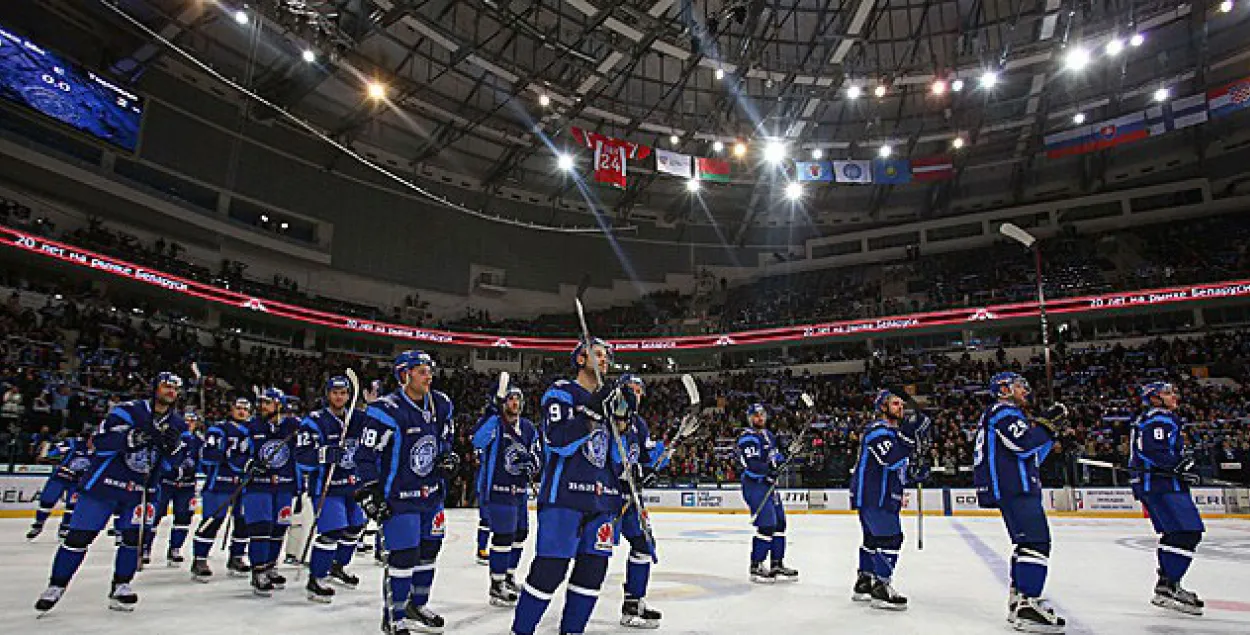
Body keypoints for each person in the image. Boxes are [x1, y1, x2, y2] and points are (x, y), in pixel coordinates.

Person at [511, 338, 636, 635]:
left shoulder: (608, 400)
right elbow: (558, 441)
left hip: (603, 502)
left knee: (592, 574)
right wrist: (592, 412)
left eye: (607, 356)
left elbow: (615, 457)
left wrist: (621, 422)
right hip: (564, 499)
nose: (604, 360)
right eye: (598, 355)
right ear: (580, 359)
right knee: (549, 571)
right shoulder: (561, 392)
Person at [34, 373, 187, 613]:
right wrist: (132, 437)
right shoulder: (128, 411)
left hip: (141, 491)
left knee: (132, 540)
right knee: (78, 538)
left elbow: (172, 465)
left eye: (174, 389)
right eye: (166, 386)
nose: (170, 391)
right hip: (104, 485)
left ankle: (122, 585)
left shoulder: (178, 424)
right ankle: (56, 586)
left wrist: (175, 449)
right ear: (154, 387)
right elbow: (100, 442)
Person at [355, 351, 458, 634]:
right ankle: (395, 616)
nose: (429, 376)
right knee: (403, 556)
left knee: (429, 552)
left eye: (429, 370)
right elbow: (364, 456)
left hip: (432, 496)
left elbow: (444, 441)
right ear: (404, 375)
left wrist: (448, 458)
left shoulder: (441, 403)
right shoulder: (384, 410)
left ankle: (417, 605)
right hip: (400, 499)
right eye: (422, 371)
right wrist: (369, 491)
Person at [973, 372, 1068, 632]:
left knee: (1026, 543)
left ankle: (1020, 600)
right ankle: (1027, 603)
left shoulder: (1000, 414)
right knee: (1037, 542)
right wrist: (1046, 426)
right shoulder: (1003, 412)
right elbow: (1024, 445)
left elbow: (1032, 453)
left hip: (1014, 485)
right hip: (1016, 486)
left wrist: (1049, 435)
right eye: (1019, 386)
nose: (1025, 390)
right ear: (1004, 390)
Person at [849, 390, 930, 610]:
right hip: (876, 494)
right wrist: (910, 438)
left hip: (879, 493)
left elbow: (899, 464)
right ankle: (881, 587)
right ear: (882, 407)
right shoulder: (878, 431)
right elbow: (889, 458)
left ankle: (865, 582)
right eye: (895, 404)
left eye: (902, 404)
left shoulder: (892, 433)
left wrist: (916, 470)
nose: (901, 408)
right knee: (890, 539)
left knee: (872, 540)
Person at [1129, 381, 1205, 615]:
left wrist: (1182, 466)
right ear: (1154, 398)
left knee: (1178, 533)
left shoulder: (1159, 418)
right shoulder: (1158, 419)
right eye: (1168, 393)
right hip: (1161, 485)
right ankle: (1166, 587)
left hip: (1165, 484)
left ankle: (1169, 584)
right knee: (1186, 531)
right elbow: (1152, 450)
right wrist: (1178, 465)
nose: (1174, 396)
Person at [295, 375, 366, 604]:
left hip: (352, 486)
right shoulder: (314, 421)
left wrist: (373, 405)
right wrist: (323, 454)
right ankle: (316, 578)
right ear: (328, 394)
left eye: (343, 393)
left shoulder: (356, 419)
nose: (339, 397)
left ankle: (337, 566)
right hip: (326, 487)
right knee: (332, 531)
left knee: (355, 527)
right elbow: (302, 457)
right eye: (335, 393)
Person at [471, 384, 539, 607]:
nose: (515, 403)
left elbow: (538, 453)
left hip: (519, 491)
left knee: (520, 534)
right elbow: (478, 441)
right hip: (497, 489)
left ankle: (509, 576)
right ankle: (496, 584)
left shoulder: (528, 428)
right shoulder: (495, 424)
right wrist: (492, 413)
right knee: (503, 535)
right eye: (510, 399)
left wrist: (532, 463)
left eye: (518, 399)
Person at [612, 375, 663, 628]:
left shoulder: (639, 424)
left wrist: (655, 462)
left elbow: (644, 458)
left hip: (632, 498)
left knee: (643, 545)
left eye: (639, 390)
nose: (635, 394)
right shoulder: (607, 419)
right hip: (606, 500)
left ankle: (633, 604)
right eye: (630, 390)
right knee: (592, 555)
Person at [242, 388, 301, 596]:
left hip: (285, 485)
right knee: (261, 527)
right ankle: (258, 569)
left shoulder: (293, 426)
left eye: (267, 402)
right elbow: (237, 453)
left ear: (279, 405)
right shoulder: (251, 426)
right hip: (258, 485)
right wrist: (249, 464)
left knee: (279, 529)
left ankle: (270, 565)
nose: (262, 406)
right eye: (261, 402)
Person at [191, 397, 253, 581]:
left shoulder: (253, 431)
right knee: (213, 521)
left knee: (243, 523)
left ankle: (237, 557)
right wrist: (231, 458)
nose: (242, 412)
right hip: (219, 484)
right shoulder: (218, 429)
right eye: (238, 408)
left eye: (246, 409)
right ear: (231, 409)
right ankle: (199, 559)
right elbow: (208, 455)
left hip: (244, 485)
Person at [736, 403, 798, 583]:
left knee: (780, 523)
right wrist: (771, 469)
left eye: (762, 415)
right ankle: (756, 565)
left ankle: (777, 563)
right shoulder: (747, 438)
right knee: (767, 524)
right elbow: (753, 465)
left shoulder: (768, 435)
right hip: (755, 484)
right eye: (755, 415)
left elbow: (776, 457)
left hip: (769, 485)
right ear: (749, 418)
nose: (759, 418)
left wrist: (788, 453)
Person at [146, 410, 204, 566]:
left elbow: (202, 461)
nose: (189, 423)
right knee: (155, 515)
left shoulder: (199, 441)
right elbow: (161, 456)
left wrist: (195, 471)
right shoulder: (171, 436)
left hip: (187, 486)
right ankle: (145, 548)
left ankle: (175, 549)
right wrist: (171, 470)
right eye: (187, 420)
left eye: (192, 420)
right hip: (166, 483)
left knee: (184, 518)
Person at [27, 430, 90, 541]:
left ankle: (65, 528)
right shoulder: (73, 443)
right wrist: (49, 454)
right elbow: (51, 452)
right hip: (60, 477)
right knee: (47, 502)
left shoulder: (100, 449)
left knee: (72, 506)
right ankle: (38, 524)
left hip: (77, 482)